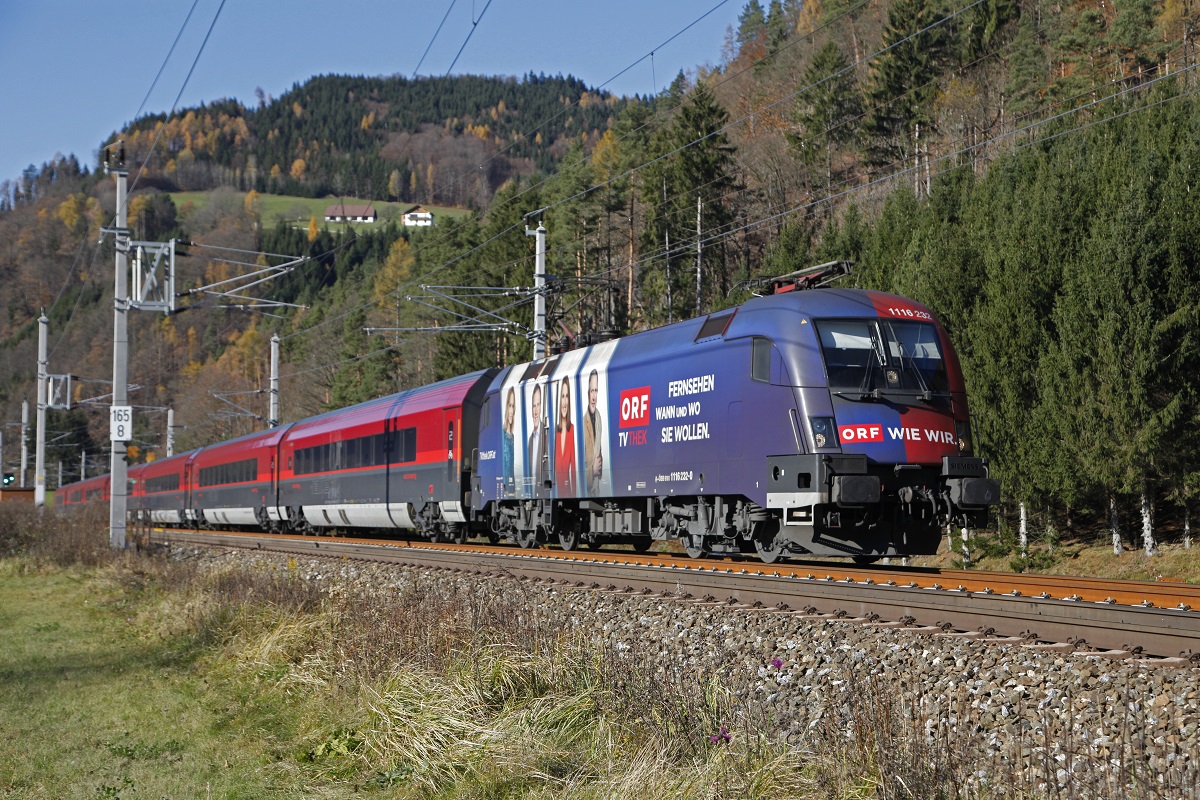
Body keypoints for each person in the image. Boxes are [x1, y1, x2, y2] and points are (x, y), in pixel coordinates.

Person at [553, 378, 577, 496]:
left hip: (568, 493)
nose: (564, 402)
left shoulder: (572, 430)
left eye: (567, 396)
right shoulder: (554, 432)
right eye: (562, 396)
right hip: (554, 492)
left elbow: (574, 470)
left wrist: (574, 494)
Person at [582, 369, 603, 496]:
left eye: (596, 391)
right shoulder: (583, 422)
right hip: (587, 489)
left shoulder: (599, 417)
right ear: (588, 393)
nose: (594, 396)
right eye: (592, 391)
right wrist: (592, 470)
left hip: (597, 488)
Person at [527, 383, 548, 494]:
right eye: (533, 406)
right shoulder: (530, 440)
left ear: (542, 408)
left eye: (538, 405)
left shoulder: (548, 435)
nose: (535, 411)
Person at [501, 386, 516, 495]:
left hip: (512, 488)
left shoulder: (513, 436)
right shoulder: (502, 433)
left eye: (513, 406)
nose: (511, 411)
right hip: (505, 487)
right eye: (510, 406)